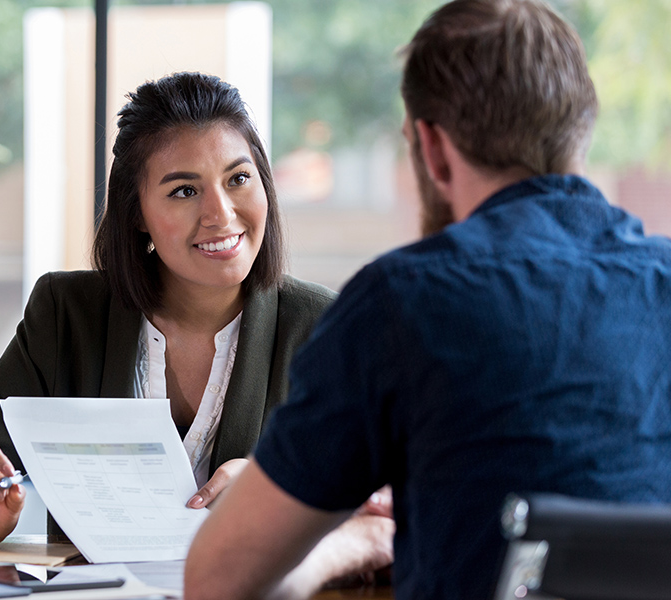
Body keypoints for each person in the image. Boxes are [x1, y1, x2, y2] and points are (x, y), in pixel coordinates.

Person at [185, 2, 671, 600]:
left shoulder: (404, 303)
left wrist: (356, 540)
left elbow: (216, 580)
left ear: (432, 147)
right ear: (583, 126)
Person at [0, 73, 389, 586]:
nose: (220, 214)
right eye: (184, 190)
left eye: (238, 179)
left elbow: (383, 504)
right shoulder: (66, 315)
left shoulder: (324, 327)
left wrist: (280, 491)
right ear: (137, 214)